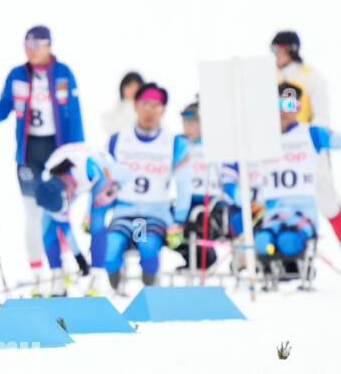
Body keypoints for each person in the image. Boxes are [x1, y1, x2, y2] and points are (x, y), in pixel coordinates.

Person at [0, 25, 84, 294]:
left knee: (56, 212)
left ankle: (59, 272)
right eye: (26, 45)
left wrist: (75, 155)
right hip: (30, 152)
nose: (30, 50)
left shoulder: (63, 73)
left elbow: (75, 116)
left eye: (36, 45)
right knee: (31, 213)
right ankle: (37, 275)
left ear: (49, 46)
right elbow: (2, 108)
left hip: (58, 152)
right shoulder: (18, 75)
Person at [102, 82, 190, 293]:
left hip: (151, 215)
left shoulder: (173, 142)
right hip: (124, 212)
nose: (150, 110)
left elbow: (184, 185)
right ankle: (116, 290)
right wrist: (95, 213)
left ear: (163, 109)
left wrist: (179, 219)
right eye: (145, 104)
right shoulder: (118, 140)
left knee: (147, 245)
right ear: (135, 105)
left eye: (156, 105)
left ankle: (148, 295)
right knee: (111, 249)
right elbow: (104, 182)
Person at [251, 82, 332, 280]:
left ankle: (297, 268)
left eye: (288, 105)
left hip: (302, 210)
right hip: (273, 210)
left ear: (298, 107)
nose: (283, 112)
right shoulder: (261, 139)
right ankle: (273, 273)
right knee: (262, 241)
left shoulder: (311, 133)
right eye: (278, 105)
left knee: (289, 241)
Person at [273, 31, 341, 242]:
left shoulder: (310, 76)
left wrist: (313, 141)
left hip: (305, 146)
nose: (276, 55)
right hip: (278, 146)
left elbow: (321, 116)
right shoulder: (270, 77)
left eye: (279, 50)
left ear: (291, 50)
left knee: (326, 201)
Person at [35, 143, 118, 296]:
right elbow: (64, 224)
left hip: (103, 171)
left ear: (66, 194)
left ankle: (97, 278)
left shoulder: (89, 170)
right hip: (71, 172)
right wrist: (79, 257)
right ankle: (57, 276)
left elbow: (102, 187)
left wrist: (81, 259)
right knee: (47, 221)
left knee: (96, 220)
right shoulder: (47, 175)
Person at [174, 101, 237, 272]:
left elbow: (231, 176)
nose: (188, 128)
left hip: (211, 202)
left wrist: (232, 198)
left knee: (196, 222)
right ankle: (192, 256)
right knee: (169, 229)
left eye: (193, 123)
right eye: (185, 123)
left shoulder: (217, 146)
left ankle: (204, 257)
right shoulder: (179, 145)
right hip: (186, 201)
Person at [102, 71, 144, 137]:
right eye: (130, 86)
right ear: (122, 88)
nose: (133, 90)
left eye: (137, 86)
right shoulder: (112, 113)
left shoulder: (149, 111)